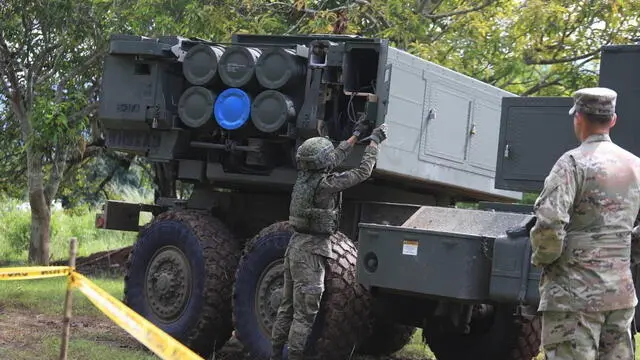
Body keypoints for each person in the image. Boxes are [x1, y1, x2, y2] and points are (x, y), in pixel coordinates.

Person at [529, 87, 640, 359]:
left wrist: (546, 259)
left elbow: (550, 222)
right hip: (620, 293)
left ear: (578, 117)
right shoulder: (635, 165)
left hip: (572, 295)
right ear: (613, 120)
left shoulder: (572, 164)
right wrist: (627, 253)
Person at [269, 121, 388, 360]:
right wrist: (374, 141)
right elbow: (363, 172)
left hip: (295, 247)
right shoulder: (326, 185)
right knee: (305, 315)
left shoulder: (305, 177)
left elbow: (334, 156)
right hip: (311, 253)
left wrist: (356, 134)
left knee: (286, 308)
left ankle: (273, 355)